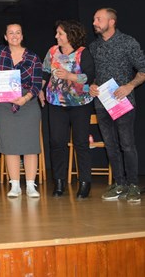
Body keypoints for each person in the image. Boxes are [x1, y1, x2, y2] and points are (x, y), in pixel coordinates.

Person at [89, 8, 145, 203]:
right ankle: (119, 183)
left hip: (122, 102)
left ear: (111, 21)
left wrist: (129, 86)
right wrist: (92, 86)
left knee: (127, 144)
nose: (95, 23)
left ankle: (133, 185)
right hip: (102, 102)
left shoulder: (127, 42)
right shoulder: (94, 47)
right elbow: (92, 75)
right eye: (94, 19)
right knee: (110, 145)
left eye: (99, 19)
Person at [39, 20, 95, 198]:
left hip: (79, 104)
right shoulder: (52, 51)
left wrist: (69, 75)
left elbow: (89, 76)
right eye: (57, 33)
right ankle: (59, 182)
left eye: (60, 33)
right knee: (57, 142)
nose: (56, 36)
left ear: (70, 35)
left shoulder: (83, 53)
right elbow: (45, 72)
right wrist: (40, 89)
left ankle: (85, 183)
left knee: (81, 143)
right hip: (56, 104)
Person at [0, 23, 43, 198]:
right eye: (11, 33)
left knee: (31, 145)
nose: (14, 36)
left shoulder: (33, 58)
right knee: (10, 146)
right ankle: (14, 185)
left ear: (22, 36)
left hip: (28, 103)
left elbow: (37, 84)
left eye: (18, 33)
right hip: (5, 105)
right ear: (6, 37)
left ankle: (31, 185)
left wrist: (25, 98)